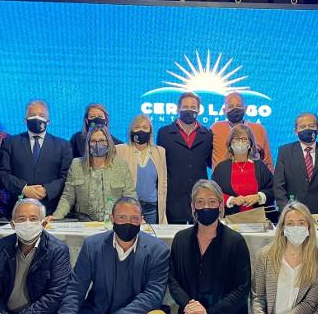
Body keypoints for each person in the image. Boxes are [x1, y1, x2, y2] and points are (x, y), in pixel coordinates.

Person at [53, 198, 169, 314]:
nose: (128, 223)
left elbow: (153, 295)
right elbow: (75, 290)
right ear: (112, 218)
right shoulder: (93, 245)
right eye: (122, 217)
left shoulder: (158, 250)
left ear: (142, 220)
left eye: (134, 218)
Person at [161, 180, 251, 314]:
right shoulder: (181, 239)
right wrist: (190, 305)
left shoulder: (235, 241)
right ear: (192, 207)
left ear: (221, 206)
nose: (206, 207)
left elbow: (242, 289)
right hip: (190, 313)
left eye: (212, 202)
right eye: (200, 202)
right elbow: (172, 280)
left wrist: (208, 311)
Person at [0, 99, 74, 217]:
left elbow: (66, 176)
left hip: (51, 211)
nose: (37, 118)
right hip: (18, 210)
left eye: (41, 115)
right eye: (32, 115)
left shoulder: (63, 145)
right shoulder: (10, 143)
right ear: (25, 120)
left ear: (48, 121)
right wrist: (23, 188)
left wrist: (47, 190)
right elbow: (2, 173)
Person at [52, 125, 136, 221]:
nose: (97, 145)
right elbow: (68, 197)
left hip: (113, 222)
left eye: (102, 141)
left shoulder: (121, 166)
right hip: (85, 223)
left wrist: (134, 217)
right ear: (88, 144)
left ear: (109, 143)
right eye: (93, 141)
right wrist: (56, 217)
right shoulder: (77, 165)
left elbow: (130, 197)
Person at [273, 112, 318, 222]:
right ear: (295, 131)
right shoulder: (285, 152)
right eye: (302, 127)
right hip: (291, 216)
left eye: (311, 126)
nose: (307, 129)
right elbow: (278, 186)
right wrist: (286, 212)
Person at [157, 92, 213, 224]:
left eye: (193, 107)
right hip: (173, 198)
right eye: (185, 106)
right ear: (178, 109)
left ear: (199, 110)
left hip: (200, 197)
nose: (189, 110)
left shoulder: (207, 134)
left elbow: (211, 163)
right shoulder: (164, 133)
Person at [211, 125, 274, 217]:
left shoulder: (260, 166)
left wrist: (258, 197)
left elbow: (273, 190)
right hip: (229, 219)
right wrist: (231, 200)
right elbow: (213, 193)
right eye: (236, 139)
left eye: (244, 139)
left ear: (251, 144)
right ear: (230, 144)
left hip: (257, 221)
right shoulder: (221, 168)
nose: (240, 142)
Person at [115, 114, 168, 224]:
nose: (141, 130)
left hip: (151, 208)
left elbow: (163, 181)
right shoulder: (120, 150)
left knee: (150, 240)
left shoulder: (160, 151)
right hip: (128, 207)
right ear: (131, 131)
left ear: (150, 131)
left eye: (145, 128)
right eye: (137, 127)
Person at [210, 92, 273, 171]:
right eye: (230, 106)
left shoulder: (259, 129)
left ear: (246, 108)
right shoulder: (216, 129)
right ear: (224, 110)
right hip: (221, 180)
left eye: (239, 106)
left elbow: (267, 163)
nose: (235, 109)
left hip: (251, 180)